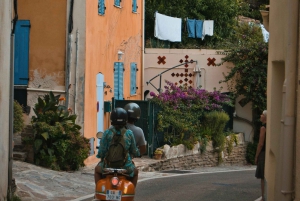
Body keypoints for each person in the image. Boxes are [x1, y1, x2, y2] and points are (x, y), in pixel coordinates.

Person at [94, 107, 140, 187]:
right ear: (125, 120)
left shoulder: (107, 133)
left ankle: (98, 191)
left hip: (108, 166)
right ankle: (131, 193)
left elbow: (102, 151)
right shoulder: (129, 133)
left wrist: (100, 155)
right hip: (126, 166)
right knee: (135, 172)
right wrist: (137, 152)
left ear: (112, 120)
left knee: (97, 171)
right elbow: (134, 151)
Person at [255, 110, 267, 201]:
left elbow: (261, 144)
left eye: (262, 114)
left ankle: (263, 196)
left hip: (263, 153)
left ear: (265, 117)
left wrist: (256, 156)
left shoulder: (263, 128)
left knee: (263, 176)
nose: (261, 115)